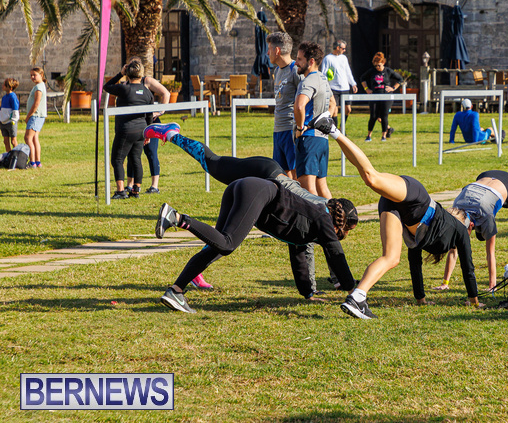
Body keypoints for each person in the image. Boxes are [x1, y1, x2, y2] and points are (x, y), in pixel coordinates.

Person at [310, 111, 482, 320]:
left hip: (399, 209)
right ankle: (332, 129)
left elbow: (415, 263)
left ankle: (357, 297)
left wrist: (421, 299)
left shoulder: (431, 238)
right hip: (416, 197)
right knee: (371, 178)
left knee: (391, 258)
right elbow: (468, 268)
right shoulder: (459, 230)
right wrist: (474, 300)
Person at [144, 122, 337, 295]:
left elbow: (308, 245)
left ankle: (192, 275)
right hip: (264, 172)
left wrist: (312, 289)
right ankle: (171, 134)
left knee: (224, 239)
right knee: (212, 163)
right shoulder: (320, 213)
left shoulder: (322, 215)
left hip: (266, 183)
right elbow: (318, 248)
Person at [155, 180, 359, 313]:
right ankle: (177, 218)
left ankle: (176, 291)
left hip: (243, 187)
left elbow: (298, 255)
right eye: (347, 230)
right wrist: (353, 292)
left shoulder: (312, 223)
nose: (344, 235)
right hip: (258, 191)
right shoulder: (322, 218)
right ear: (339, 222)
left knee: (217, 247)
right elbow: (336, 255)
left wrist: (308, 294)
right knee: (227, 245)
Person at [433, 170, 508, 292]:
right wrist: (445, 283)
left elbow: (490, 254)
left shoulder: (486, 216)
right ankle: (497, 206)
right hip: (484, 178)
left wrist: (492, 286)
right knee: (482, 234)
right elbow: (453, 251)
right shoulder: (455, 210)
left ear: (471, 225)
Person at [103, 59, 158, 198]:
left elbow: (107, 86)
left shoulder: (124, 89)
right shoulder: (147, 93)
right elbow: (149, 116)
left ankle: (121, 191)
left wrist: (120, 74)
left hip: (125, 130)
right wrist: (148, 134)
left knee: (117, 159)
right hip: (141, 130)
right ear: (142, 74)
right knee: (136, 159)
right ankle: (136, 190)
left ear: (127, 73)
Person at [294, 41, 335, 198]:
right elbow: (333, 105)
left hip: (309, 140)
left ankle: (321, 215)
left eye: (299, 59)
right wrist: (322, 122)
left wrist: (300, 128)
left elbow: (299, 106)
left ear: (311, 61)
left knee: (308, 191)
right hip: (322, 140)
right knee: (322, 188)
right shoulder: (323, 79)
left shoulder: (308, 80)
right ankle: (336, 215)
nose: (296, 63)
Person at [130, 75, 169, 195]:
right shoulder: (128, 82)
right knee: (132, 153)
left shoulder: (147, 81)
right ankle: (130, 185)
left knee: (151, 152)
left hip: (151, 122)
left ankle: (154, 186)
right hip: (136, 121)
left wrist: (160, 112)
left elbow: (166, 93)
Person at [269, 31, 300, 179]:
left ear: (277, 50)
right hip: (278, 129)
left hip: (290, 129)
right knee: (282, 174)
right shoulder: (277, 71)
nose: (267, 53)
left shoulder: (296, 70)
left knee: (296, 173)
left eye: (269, 49)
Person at [360, 52, 402, 142]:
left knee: (384, 116)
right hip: (374, 95)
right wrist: (367, 89)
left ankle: (384, 136)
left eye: (379, 65)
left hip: (386, 96)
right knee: (373, 116)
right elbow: (362, 78)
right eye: (375, 66)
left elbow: (400, 79)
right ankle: (369, 135)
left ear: (383, 63)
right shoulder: (372, 71)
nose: (377, 67)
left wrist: (393, 88)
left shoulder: (388, 71)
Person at [321, 40, 357, 125]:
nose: (344, 50)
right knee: (334, 110)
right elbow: (324, 73)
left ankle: (342, 128)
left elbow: (348, 71)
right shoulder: (328, 58)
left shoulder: (344, 58)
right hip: (333, 88)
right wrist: (325, 85)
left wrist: (353, 83)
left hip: (345, 87)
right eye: (343, 48)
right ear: (338, 47)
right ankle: (335, 129)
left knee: (348, 109)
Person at [23, 67, 47, 168]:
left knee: (28, 138)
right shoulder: (39, 86)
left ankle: (32, 162)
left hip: (35, 116)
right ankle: (37, 162)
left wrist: (28, 116)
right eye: (31, 75)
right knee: (34, 138)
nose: (32, 77)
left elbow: (36, 103)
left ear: (41, 75)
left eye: (35, 75)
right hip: (38, 116)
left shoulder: (39, 87)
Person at [1, 77, 20, 152]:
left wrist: (14, 119)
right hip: (3, 122)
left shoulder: (12, 96)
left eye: (4, 85)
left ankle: (17, 156)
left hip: (11, 122)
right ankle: (9, 156)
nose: (2, 86)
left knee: (13, 141)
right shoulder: (4, 97)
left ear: (10, 87)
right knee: (6, 141)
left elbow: (15, 108)